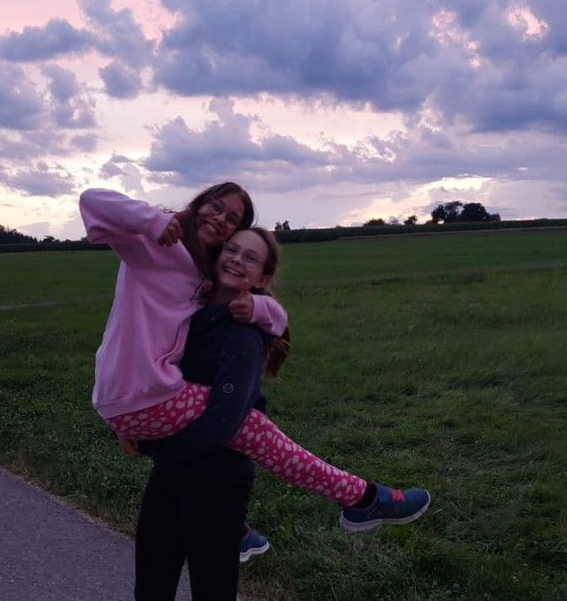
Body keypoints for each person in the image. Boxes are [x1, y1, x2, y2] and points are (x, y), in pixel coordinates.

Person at [80, 187, 430, 530]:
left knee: (232, 426)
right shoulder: (149, 246)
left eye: (232, 218)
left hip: (138, 396)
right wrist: (154, 219)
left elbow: (277, 316)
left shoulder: (205, 275)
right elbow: (91, 200)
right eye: (216, 206)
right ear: (198, 204)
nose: (220, 218)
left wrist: (257, 306)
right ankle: (363, 499)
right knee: (251, 427)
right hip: (140, 395)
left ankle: (233, 529)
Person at [133, 228, 429, 601]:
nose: (236, 259)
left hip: (217, 482)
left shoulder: (241, 336)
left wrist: (150, 445)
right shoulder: (189, 312)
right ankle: (259, 527)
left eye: (250, 257)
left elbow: (222, 425)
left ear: (263, 278)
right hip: (170, 475)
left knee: (212, 594)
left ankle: (362, 498)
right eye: (231, 249)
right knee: (150, 590)